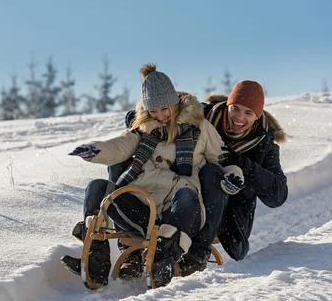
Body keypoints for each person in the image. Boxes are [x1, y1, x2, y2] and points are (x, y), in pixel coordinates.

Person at [61, 64, 240, 288]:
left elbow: (222, 160)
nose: (160, 115)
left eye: (164, 109)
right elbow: (119, 146)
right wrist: (95, 150)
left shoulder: (200, 127)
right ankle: (96, 260)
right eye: (153, 111)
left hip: (180, 210)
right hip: (143, 208)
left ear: (174, 101)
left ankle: (163, 260)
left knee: (186, 195)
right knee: (97, 188)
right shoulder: (144, 128)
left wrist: (234, 174)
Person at [173, 80, 288, 275]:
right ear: (228, 105)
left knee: (212, 173)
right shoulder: (202, 116)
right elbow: (161, 111)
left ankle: (197, 254)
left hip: (224, 213)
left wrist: (246, 165)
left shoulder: (263, 145)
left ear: (257, 116)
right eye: (235, 108)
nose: (239, 118)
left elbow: (278, 196)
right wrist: (138, 117)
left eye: (248, 113)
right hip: (181, 194)